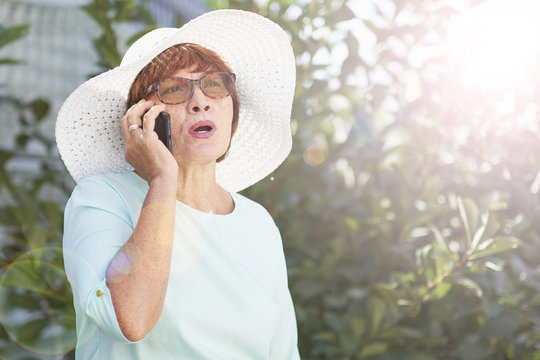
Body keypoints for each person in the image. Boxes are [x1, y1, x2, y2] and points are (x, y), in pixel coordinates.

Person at [56, 9, 300, 359]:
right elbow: (130, 320)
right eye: (174, 90)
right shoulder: (102, 198)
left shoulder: (258, 222)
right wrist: (162, 178)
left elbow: (283, 352)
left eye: (214, 85)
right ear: (141, 118)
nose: (200, 102)